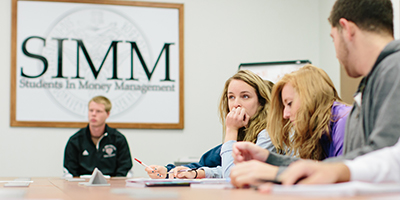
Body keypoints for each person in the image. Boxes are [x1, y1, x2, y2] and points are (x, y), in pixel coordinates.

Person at [230, 0, 400, 188]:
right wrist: (271, 160)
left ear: (347, 29)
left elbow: (378, 159)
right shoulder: (376, 78)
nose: (336, 53)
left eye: (333, 38)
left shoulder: (394, 68)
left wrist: (279, 173)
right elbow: (345, 166)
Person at [145, 70, 276, 179]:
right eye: (231, 97)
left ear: (261, 102)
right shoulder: (243, 133)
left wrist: (231, 130)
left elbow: (231, 175)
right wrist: (172, 172)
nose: (236, 104)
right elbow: (210, 163)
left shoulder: (267, 134)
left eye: (245, 96)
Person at [63, 96, 133, 177]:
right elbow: (70, 171)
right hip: (82, 186)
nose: (93, 114)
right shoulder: (75, 140)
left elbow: (124, 169)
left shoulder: (118, 139)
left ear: (107, 114)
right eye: (91, 110)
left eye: (98, 111)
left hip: (111, 186)